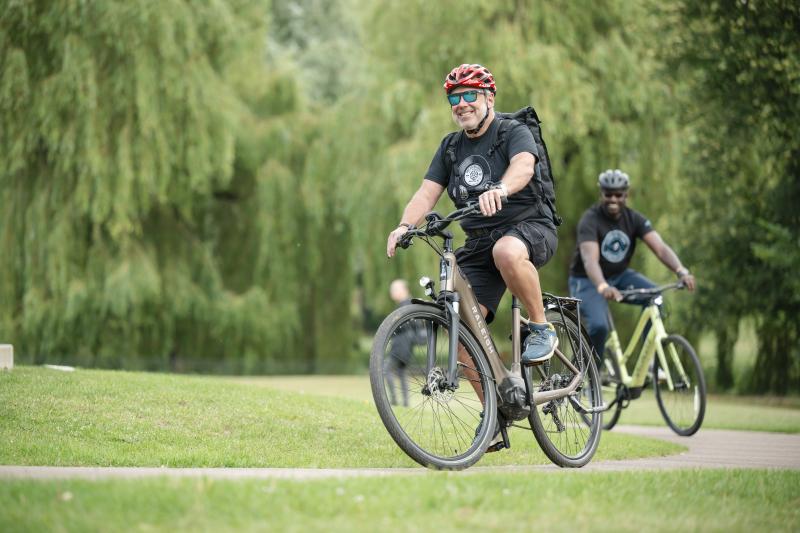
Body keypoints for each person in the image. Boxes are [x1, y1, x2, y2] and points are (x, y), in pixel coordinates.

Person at [386, 63, 560, 365]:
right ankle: (498, 410)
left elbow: (523, 166)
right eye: (455, 98)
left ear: (489, 98)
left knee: (505, 251)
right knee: (460, 334)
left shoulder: (512, 131)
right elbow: (426, 193)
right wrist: (404, 226)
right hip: (480, 244)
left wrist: (501, 189)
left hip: (530, 228)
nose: (462, 104)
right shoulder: (451, 147)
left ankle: (541, 327)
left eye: (470, 96)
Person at [568, 169, 696, 357]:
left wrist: (681, 271)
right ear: (601, 194)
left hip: (619, 276)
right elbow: (590, 259)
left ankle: (650, 363)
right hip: (587, 281)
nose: (613, 199)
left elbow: (660, 248)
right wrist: (603, 286)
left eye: (618, 194)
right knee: (599, 326)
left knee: (655, 298)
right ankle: (591, 376)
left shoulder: (634, 219)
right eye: (608, 194)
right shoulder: (590, 220)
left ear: (626, 194)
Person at [385, 279, 414, 407]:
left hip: (401, 345)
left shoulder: (405, 305)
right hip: (407, 345)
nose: (392, 292)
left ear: (404, 290)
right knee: (402, 373)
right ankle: (406, 403)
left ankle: (394, 399)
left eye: (395, 289)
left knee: (385, 370)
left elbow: (405, 325)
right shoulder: (409, 304)